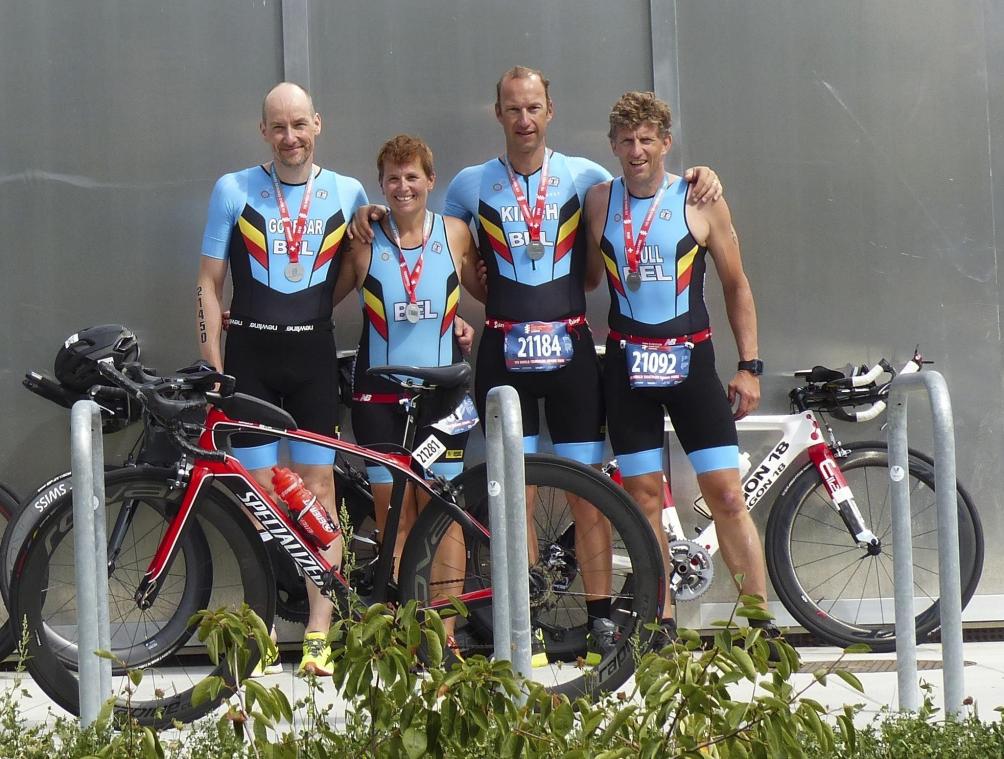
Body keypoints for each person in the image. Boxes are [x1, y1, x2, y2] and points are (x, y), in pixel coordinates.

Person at [352, 66, 723, 666]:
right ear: (497, 114)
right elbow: (445, 251)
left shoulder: (589, 177)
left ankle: (601, 614)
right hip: (504, 351)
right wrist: (371, 215)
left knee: (588, 489)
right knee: (513, 493)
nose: (523, 120)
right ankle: (525, 614)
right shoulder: (470, 186)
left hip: (573, 350)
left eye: (533, 108)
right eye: (512, 109)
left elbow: (642, 198)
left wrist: (701, 178)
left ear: (550, 110)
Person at [584, 90, 774, 645]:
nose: (637, 150)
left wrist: (750, 366)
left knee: (727, 494)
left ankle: (759, 625)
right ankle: (657, 622)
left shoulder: (700, 197)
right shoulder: (597, 199)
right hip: (627, 367)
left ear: (666, 143)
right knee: (643, 495)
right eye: (626, 140)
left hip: (691, 363)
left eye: (647, 139)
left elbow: (736, 285)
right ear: (613, 145)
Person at [196, 82, 367, 677]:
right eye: (279, 127)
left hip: (314, 357)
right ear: (264, 132)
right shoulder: (233, 190)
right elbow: (209, 284)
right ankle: (264, 623)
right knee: (258, 496)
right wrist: (214, 365)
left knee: (319, 492)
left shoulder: (348, 192)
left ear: (317, 123)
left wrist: (314, 314)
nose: (290, 137)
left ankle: (319, 633)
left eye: (300, 124)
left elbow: (358, 271)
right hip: (250, 360)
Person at [333, 135, 484, 648]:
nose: (403, 187)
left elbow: (487, 287)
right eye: (393, 178)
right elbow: (320, 299)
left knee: (443, 514)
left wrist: (462, 322)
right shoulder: (363, 239)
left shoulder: (457, 233)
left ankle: (444, 634)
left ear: (430, 180)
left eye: (412, 176)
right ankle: (406, 634)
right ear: (381, 184)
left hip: (442, 397)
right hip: (379, 395)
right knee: (393, 512)